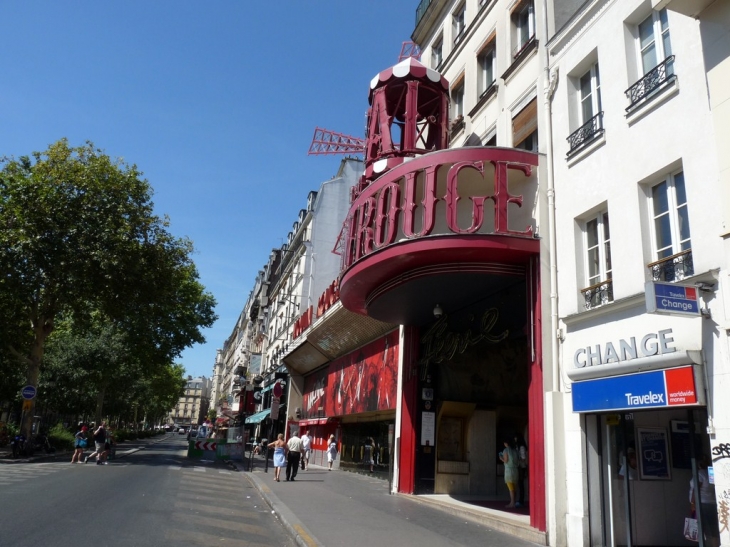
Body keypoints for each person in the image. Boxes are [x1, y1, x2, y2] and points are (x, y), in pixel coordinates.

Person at [689, 454, 720, 547]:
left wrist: (693, 504)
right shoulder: (711, 473)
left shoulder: (699, 474)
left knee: (703, 529)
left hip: (702, 504)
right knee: (713, 529)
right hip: (712, 502)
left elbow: (696, 489)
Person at [500, 438, 519, 509]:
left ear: (506, 443)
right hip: (515, 470)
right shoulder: (515, 451)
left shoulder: (506, 450)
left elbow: (506, 460)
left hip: (509, 470)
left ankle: (512, 503)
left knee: (511, 488)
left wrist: (501, 458)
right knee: (515, 488)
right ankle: (514, 502)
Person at [514, 435, 528, 508]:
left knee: (521, 484)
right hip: (519, 467)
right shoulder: (518, 446)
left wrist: (517, 459)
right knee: (520, 484)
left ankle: (521, 500)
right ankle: (520, 500)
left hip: (521, 467)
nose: (515, 438)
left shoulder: (521, 447)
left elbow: (523, 458)